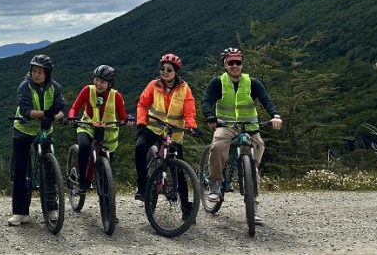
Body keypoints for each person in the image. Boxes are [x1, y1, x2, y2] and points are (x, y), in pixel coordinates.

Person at [202, 47, 284, 225]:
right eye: (230, 62)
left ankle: (253, 205)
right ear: (224, 64)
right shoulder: (218, 82)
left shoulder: (252, 82)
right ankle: (215, 183)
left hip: (249, 127)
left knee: (257, 153)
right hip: (227, 125)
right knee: (217, 146)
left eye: (238, 62)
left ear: (242, 64)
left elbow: (266, 100)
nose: (234, 66)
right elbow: (207, 100)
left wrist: (275, 115)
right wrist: (210, 116)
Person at [8, 54, 66, 226]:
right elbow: (26, 110)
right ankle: (20, 212)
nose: (36, 75)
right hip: (23, 130)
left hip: (45, 130)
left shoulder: (55, 87)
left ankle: (51, 207)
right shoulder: (25, 86)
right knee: (20, 170)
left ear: (47, 73)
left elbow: (63, 107)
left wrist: (55, 118)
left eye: (40, 72)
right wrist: (47, 114)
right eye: (34, 71)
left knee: (49, 169)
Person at [134, 53, 198, 207]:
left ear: (176, 72)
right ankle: (142, 186)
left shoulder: (184, 89)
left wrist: (191, 126)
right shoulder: (153, 85)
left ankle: (186, 206)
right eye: (162, 69)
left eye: (169, 70)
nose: (164, 72)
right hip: (153, 128)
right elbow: (142, 104)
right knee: (140, 148)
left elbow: (189, 112)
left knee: (179, 169)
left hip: (174, 132)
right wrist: (141, 121)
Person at [67, 64, 130, 193]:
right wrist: (72, 117)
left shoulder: (116, 96)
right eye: (96, 79)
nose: (98, 83)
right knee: (84, 146)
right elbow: (74, 107)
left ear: (110, 83)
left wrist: (129, 120)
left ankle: (102, 187)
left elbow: (123, 115)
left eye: (102, 81)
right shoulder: (87, 90)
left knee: (104, 159)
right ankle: (82, 179)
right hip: (87, 126)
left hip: (106, 131)